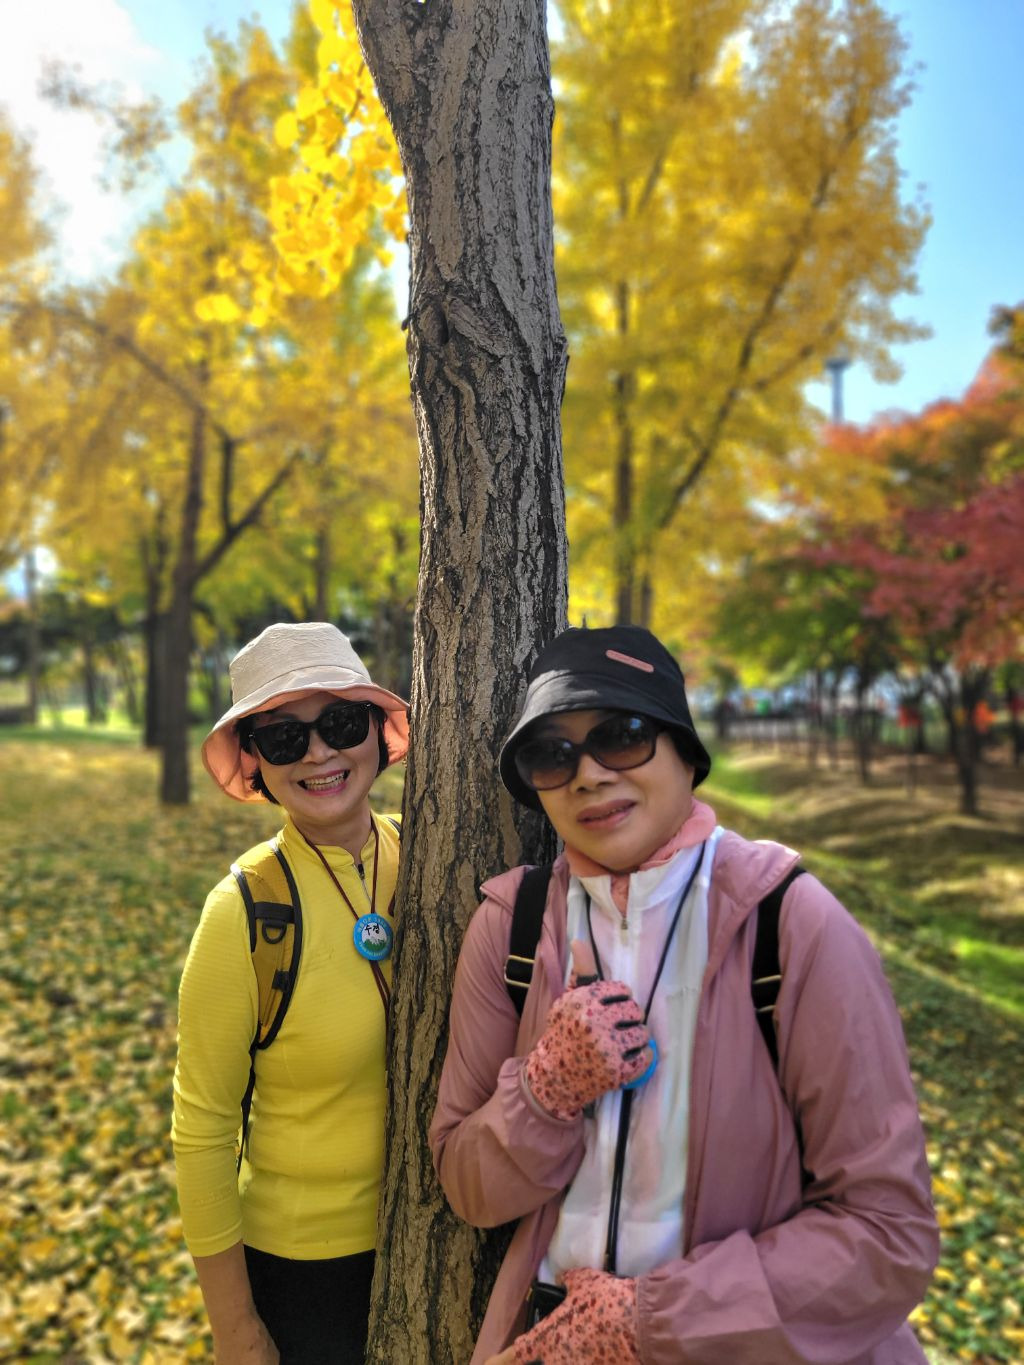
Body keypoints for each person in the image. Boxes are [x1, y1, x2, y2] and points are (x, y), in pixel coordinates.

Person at [430, 624, 938, 1364]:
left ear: (685, 752)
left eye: (622, 736)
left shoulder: (789, 922)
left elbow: (888, 1231)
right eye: (552, 753)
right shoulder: (512, 926)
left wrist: (646, 1322)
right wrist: (542, 1092)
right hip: (548, 1338)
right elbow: (468, 1188)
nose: (588, 775)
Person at [172, 622, 409, 1365]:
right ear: (254, 761)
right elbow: (203, 1129)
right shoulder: (242, 912)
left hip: (445, 1240)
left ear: (376, 729)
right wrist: (236, 1331)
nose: (317, 754)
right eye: (282, 738)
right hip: (305, 1278)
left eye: (340, 723)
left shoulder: (431, 853)